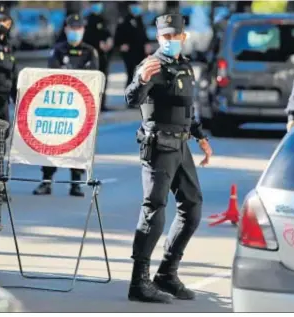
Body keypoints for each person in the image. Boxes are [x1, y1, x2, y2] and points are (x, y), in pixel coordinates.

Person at [125, 14, 213, 303]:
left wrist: (200, 137)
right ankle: (139, 282)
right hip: (158, 145)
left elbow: (188, 109)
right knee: (154, 211)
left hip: (182, 144)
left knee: (192, 207)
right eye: (166, 37)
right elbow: (131, 100)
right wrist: (140, 80)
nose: (171, 41)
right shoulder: (151, 65)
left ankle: (167, 273)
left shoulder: (184, 66)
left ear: (183, 38)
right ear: (159, 37)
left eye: (175, 37)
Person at [32, 13, 100, 197]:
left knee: (78, 145)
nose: (75, 32)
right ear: (66, 29)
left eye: (78, 29)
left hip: (79, 108)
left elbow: (92, 79)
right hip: (59, 108)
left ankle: (75, 183)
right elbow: (52, 76)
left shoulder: (90, 52)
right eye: (72, 29)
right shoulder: (58, 50)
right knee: (52, 145)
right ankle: (46, 181)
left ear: (83, 30)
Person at [114, 1, 151, 94]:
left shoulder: (140, 19)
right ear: (130, 7)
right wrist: (120, 45)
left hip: (140, 51)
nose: (137, 8)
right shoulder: (124, 20)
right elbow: (118, 36)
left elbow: (143, 34)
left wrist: (147, 44)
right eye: (135, 6)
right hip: (129, 52)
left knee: (141, 74)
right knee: (131, 74)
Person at [83, 1, 113, 111]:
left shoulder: (103, 19)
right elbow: (87, 38)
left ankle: (102, 104)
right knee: (93, 81)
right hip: (92, 55)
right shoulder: (87, 20)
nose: (98, 6)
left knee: (103, 80)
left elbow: (107, 33)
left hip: (103, 56)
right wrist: (98, 43)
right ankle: (92, 105)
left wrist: (109, 41)